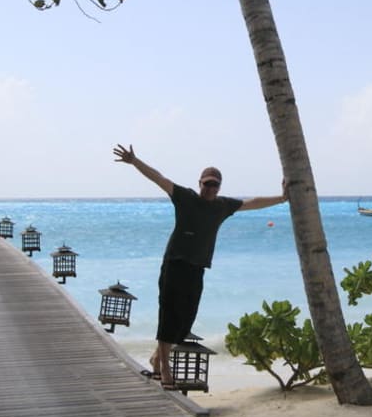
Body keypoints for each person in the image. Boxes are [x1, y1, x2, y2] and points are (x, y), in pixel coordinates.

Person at [112, 143, 288, 390]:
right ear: (199, 183)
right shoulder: (185, 198)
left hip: (197, 268)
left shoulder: (223, 206)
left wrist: (282, 198)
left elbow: (253, 202)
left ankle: (156, 357)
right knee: (169, 315)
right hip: (175, 264)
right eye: (207, 183)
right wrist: (135, 161)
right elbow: (159, 179)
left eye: (214, 184)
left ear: (219, 187)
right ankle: (165, 370)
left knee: (185, 320)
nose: (210, 188)